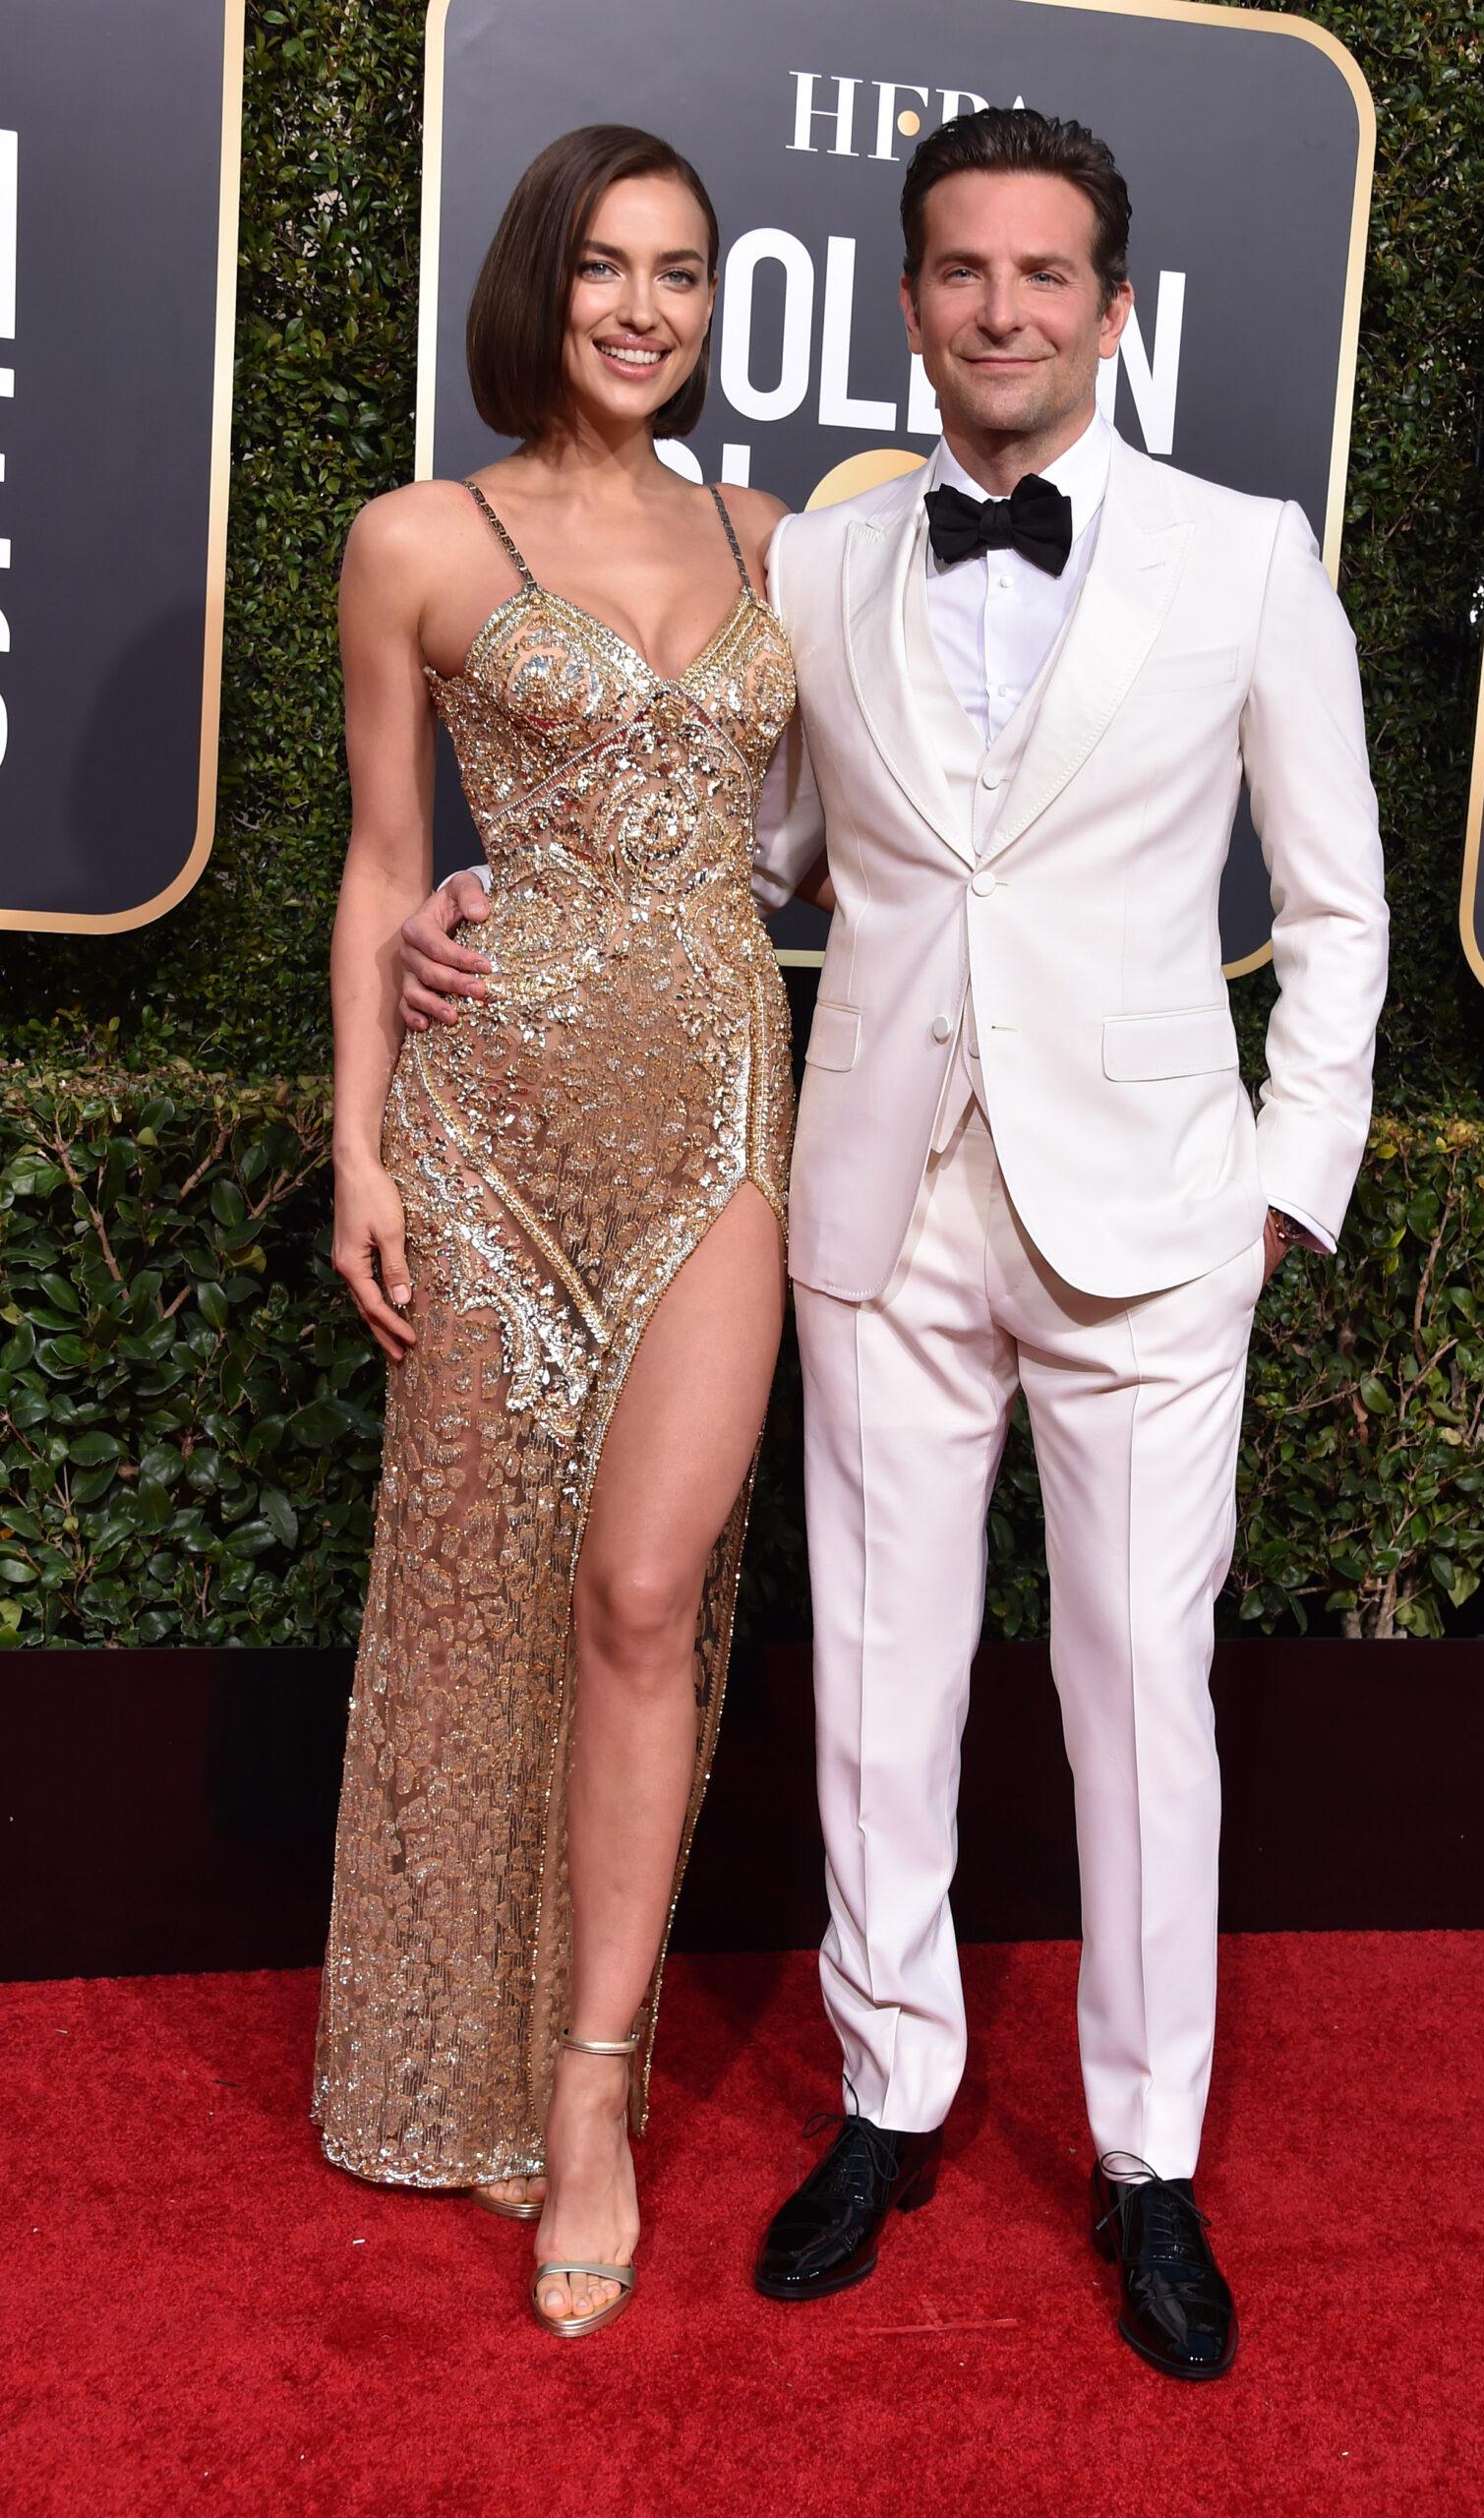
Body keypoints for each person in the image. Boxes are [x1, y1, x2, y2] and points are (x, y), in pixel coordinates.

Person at [403, 107, 1388, 2380]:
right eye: (961, 273)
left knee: (1139, 1701)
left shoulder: (1245, 557)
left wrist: (1271, 1193)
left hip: (1149, 1218)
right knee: (877, 1675)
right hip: (877, 1192)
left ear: (1112, 308)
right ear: (909, 300)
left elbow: (1334, 912)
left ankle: (1147, 2156)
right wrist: (503, 898)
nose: (1003, 310)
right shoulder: (824, 562)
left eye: (1047, 275)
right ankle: (888, 2088)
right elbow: (731, 841)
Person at [315, 123, 795, 2338]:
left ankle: (588, 2081)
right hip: (490, 1123)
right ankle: (451, 2047)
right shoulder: (418, 536)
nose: (643, 308)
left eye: (680, 272)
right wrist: (361, 1144)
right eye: (605, 267)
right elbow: (381, 857)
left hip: (718, 1106)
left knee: (640, 1582)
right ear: (543, 285)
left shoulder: (788, 539)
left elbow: (836, 840)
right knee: (479, 1588)